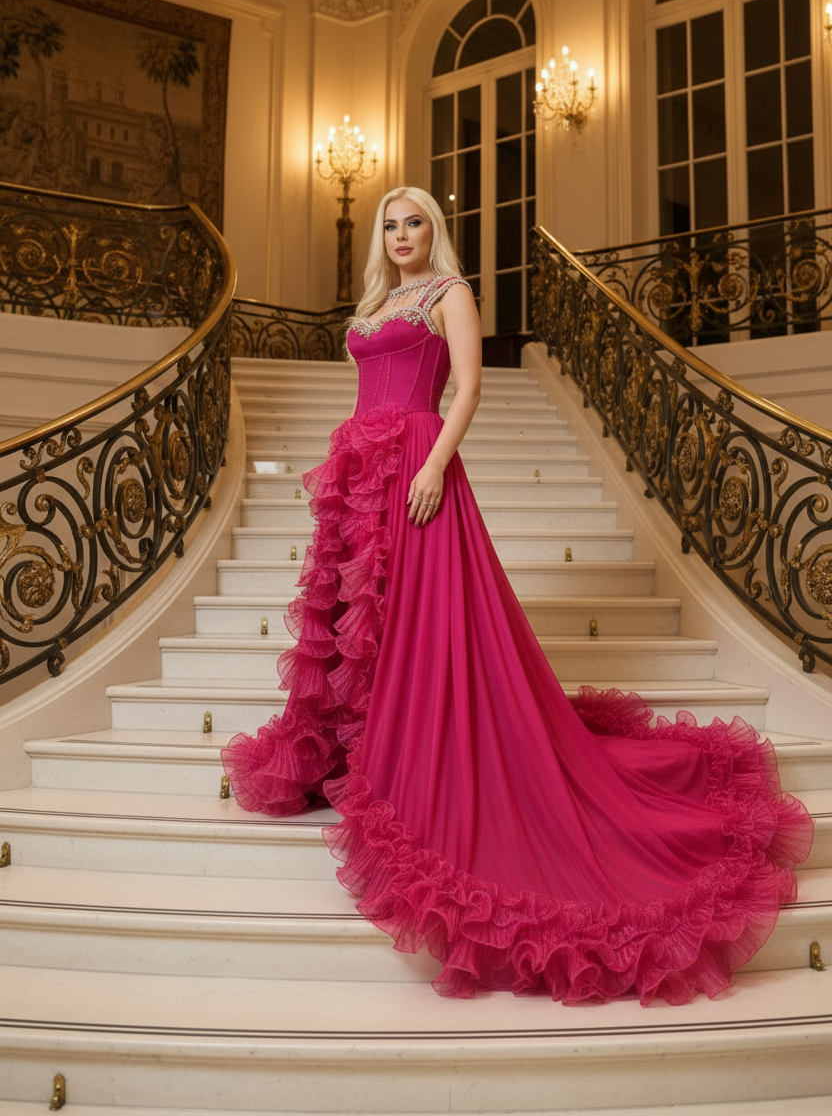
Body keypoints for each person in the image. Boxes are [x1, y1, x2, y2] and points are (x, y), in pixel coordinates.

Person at [222, 186, 813, 1005]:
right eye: (389, 224)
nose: (401, 234)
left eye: (414, 222)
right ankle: (362, 745)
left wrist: (431, 466)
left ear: (436, 230)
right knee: (363, 625)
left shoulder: (448, 293)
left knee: (425, 624)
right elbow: (366, 390)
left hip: (420, 464)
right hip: (364, 466)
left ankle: (419, 757)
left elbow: (466, 389)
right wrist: (347, 469)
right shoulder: (378, 301)